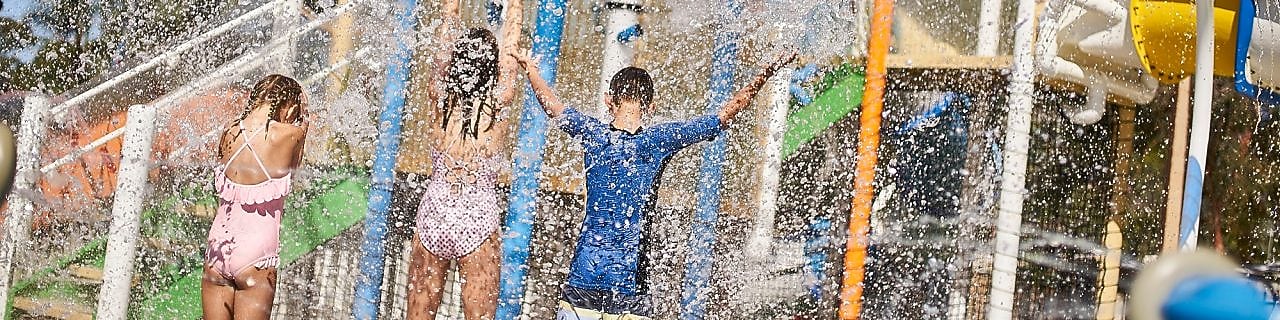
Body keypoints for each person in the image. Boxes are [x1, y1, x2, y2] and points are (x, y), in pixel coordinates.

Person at [511, 50, 797, 319]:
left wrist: (532, 71)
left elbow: (553, 107)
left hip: (583, 278)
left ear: (608, 100)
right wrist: (764, 75)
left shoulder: (593, 135)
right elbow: (723, 116)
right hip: (630, 288)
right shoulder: (659, 139)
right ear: (650, 107)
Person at [405, 0, 522, 318]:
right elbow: (510, 53)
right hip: (477, 218)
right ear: (492, 68)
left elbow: (444, 44)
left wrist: (452, 9)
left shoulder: (439, 96)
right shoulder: (498, 102)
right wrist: (515, 6)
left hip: (434, 215)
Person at [203, 74, 308, 319]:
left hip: (217, 249)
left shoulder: (229, 131)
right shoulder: (290, 135)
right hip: (256, 255)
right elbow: (295, 170)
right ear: (291, 107)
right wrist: (303, 123)